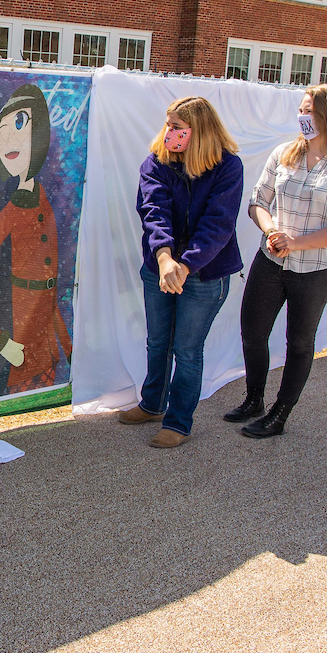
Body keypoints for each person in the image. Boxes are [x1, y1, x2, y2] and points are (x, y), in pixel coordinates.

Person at [225, 84, 327, 438]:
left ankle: (279, 413)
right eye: (302, 110)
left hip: (316, 270)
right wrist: (272, 230)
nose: (303, 117)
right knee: (252, 333)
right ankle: (254, 399)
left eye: (311, 111)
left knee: (300, 342)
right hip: (271, 261)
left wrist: (298, 243)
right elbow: (258, 201)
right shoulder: (284, 154)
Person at [119, 96, 244, 448]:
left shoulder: (228, 167)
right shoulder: (156, 162)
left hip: (205, 275)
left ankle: (178, 422)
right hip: (159, 266)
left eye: (177, 127)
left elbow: (218, 225)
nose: (169, 132)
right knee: (158, 342)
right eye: (168, 124)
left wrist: (185, 264)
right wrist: (163, 258)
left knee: (187, 351)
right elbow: (152, 210)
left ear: (199, 132)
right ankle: (153, 404)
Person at [0, 84, 72, 395]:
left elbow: (50, 284)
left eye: (20, 123)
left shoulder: (43, 197)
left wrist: (67, 345)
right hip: (22, 342)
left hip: (47, 339)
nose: (8, 138)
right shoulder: (11, 211)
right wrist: (2, 343)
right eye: (3, 129)